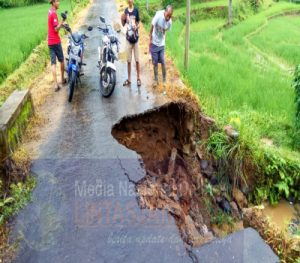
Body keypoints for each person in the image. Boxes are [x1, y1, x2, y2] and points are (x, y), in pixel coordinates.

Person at [149, 5, 173, 87]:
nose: (168, 18)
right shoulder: (158, 15)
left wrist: (163, 33)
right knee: (155, 63)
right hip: (154, 43)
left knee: (163, 61)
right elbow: (152, 26)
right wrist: (150, 39)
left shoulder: (170, 22)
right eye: (167, 15)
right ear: (165, 12)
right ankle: (156, 79)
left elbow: (166, 29)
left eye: (170, 16)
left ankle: (164, 80)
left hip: (161, 43)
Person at [121, 0, 141, 87]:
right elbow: (123, 24)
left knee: (137, 60)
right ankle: (129, 79)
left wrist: (137, 26)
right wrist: (122, 19)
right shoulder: (125, 11)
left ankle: (138, 78)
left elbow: (139, 22)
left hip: (136, 39)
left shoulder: (136, 10)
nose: (130, 0)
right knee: (128, 61)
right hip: (128, 39)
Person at [48, 0, 67, 92]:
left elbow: (54, 25)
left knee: (53, 63)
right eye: (58, 1)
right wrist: (63, 20)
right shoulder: (54, 13)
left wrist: (62, 24)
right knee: (61, 60)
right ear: (53, 2)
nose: (59, 2)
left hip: (50, 42)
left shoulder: (50, 11)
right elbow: (56, 29)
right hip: (55, 41)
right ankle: (62, 80)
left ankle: (56, 85)